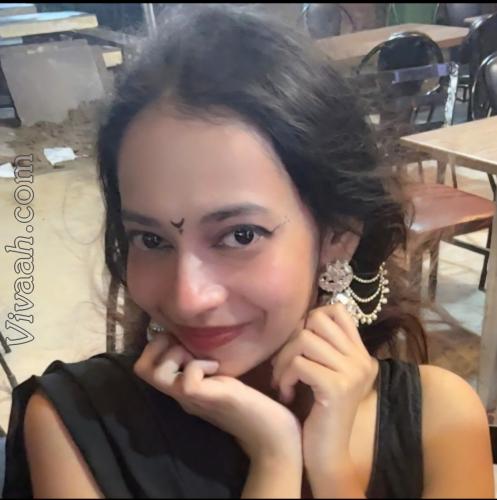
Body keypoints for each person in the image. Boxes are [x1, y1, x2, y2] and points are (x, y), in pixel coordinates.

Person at [3, 4, 494, 498]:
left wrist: (332, 473)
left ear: (338, 234)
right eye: (151, 240)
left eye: (240, 235)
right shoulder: (78, 428)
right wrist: (275, 455)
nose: (189, 297)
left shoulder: (441, 423)